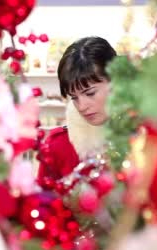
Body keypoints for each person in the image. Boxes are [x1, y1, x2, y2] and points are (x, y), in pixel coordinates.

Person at [37, 36, 117, 184]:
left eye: (90, 93)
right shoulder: (57, 146)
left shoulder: (146, 139)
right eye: (74, 97)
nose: (82, 106)